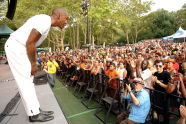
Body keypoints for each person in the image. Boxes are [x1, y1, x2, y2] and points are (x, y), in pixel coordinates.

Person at [4, 8, 68, 122]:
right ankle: (34, 114)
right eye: (66, 18)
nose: (66, 22)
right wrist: (34, 64)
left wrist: (33, 62)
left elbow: (31, 42)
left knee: (29, 80)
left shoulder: (45, 22)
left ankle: (35, 109)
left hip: (19, 48)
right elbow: (30, 42)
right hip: (17, 47)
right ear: (58, 15)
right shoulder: (44, 21)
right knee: (25, 81)